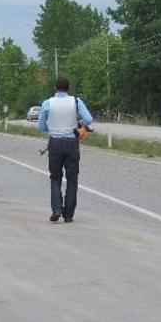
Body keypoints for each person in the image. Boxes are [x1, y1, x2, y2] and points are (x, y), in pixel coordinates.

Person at [38, 77, 93, 223]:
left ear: (55, 87)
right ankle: (68, 214)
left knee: (55, 177)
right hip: (72, 143)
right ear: (68, 88)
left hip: (55, 143)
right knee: (72, 179)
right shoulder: (75, 101)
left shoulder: (47, 103)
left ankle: (56, 208)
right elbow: (88, 119)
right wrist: (79, 125)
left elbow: (41, 126)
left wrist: (53, 128)